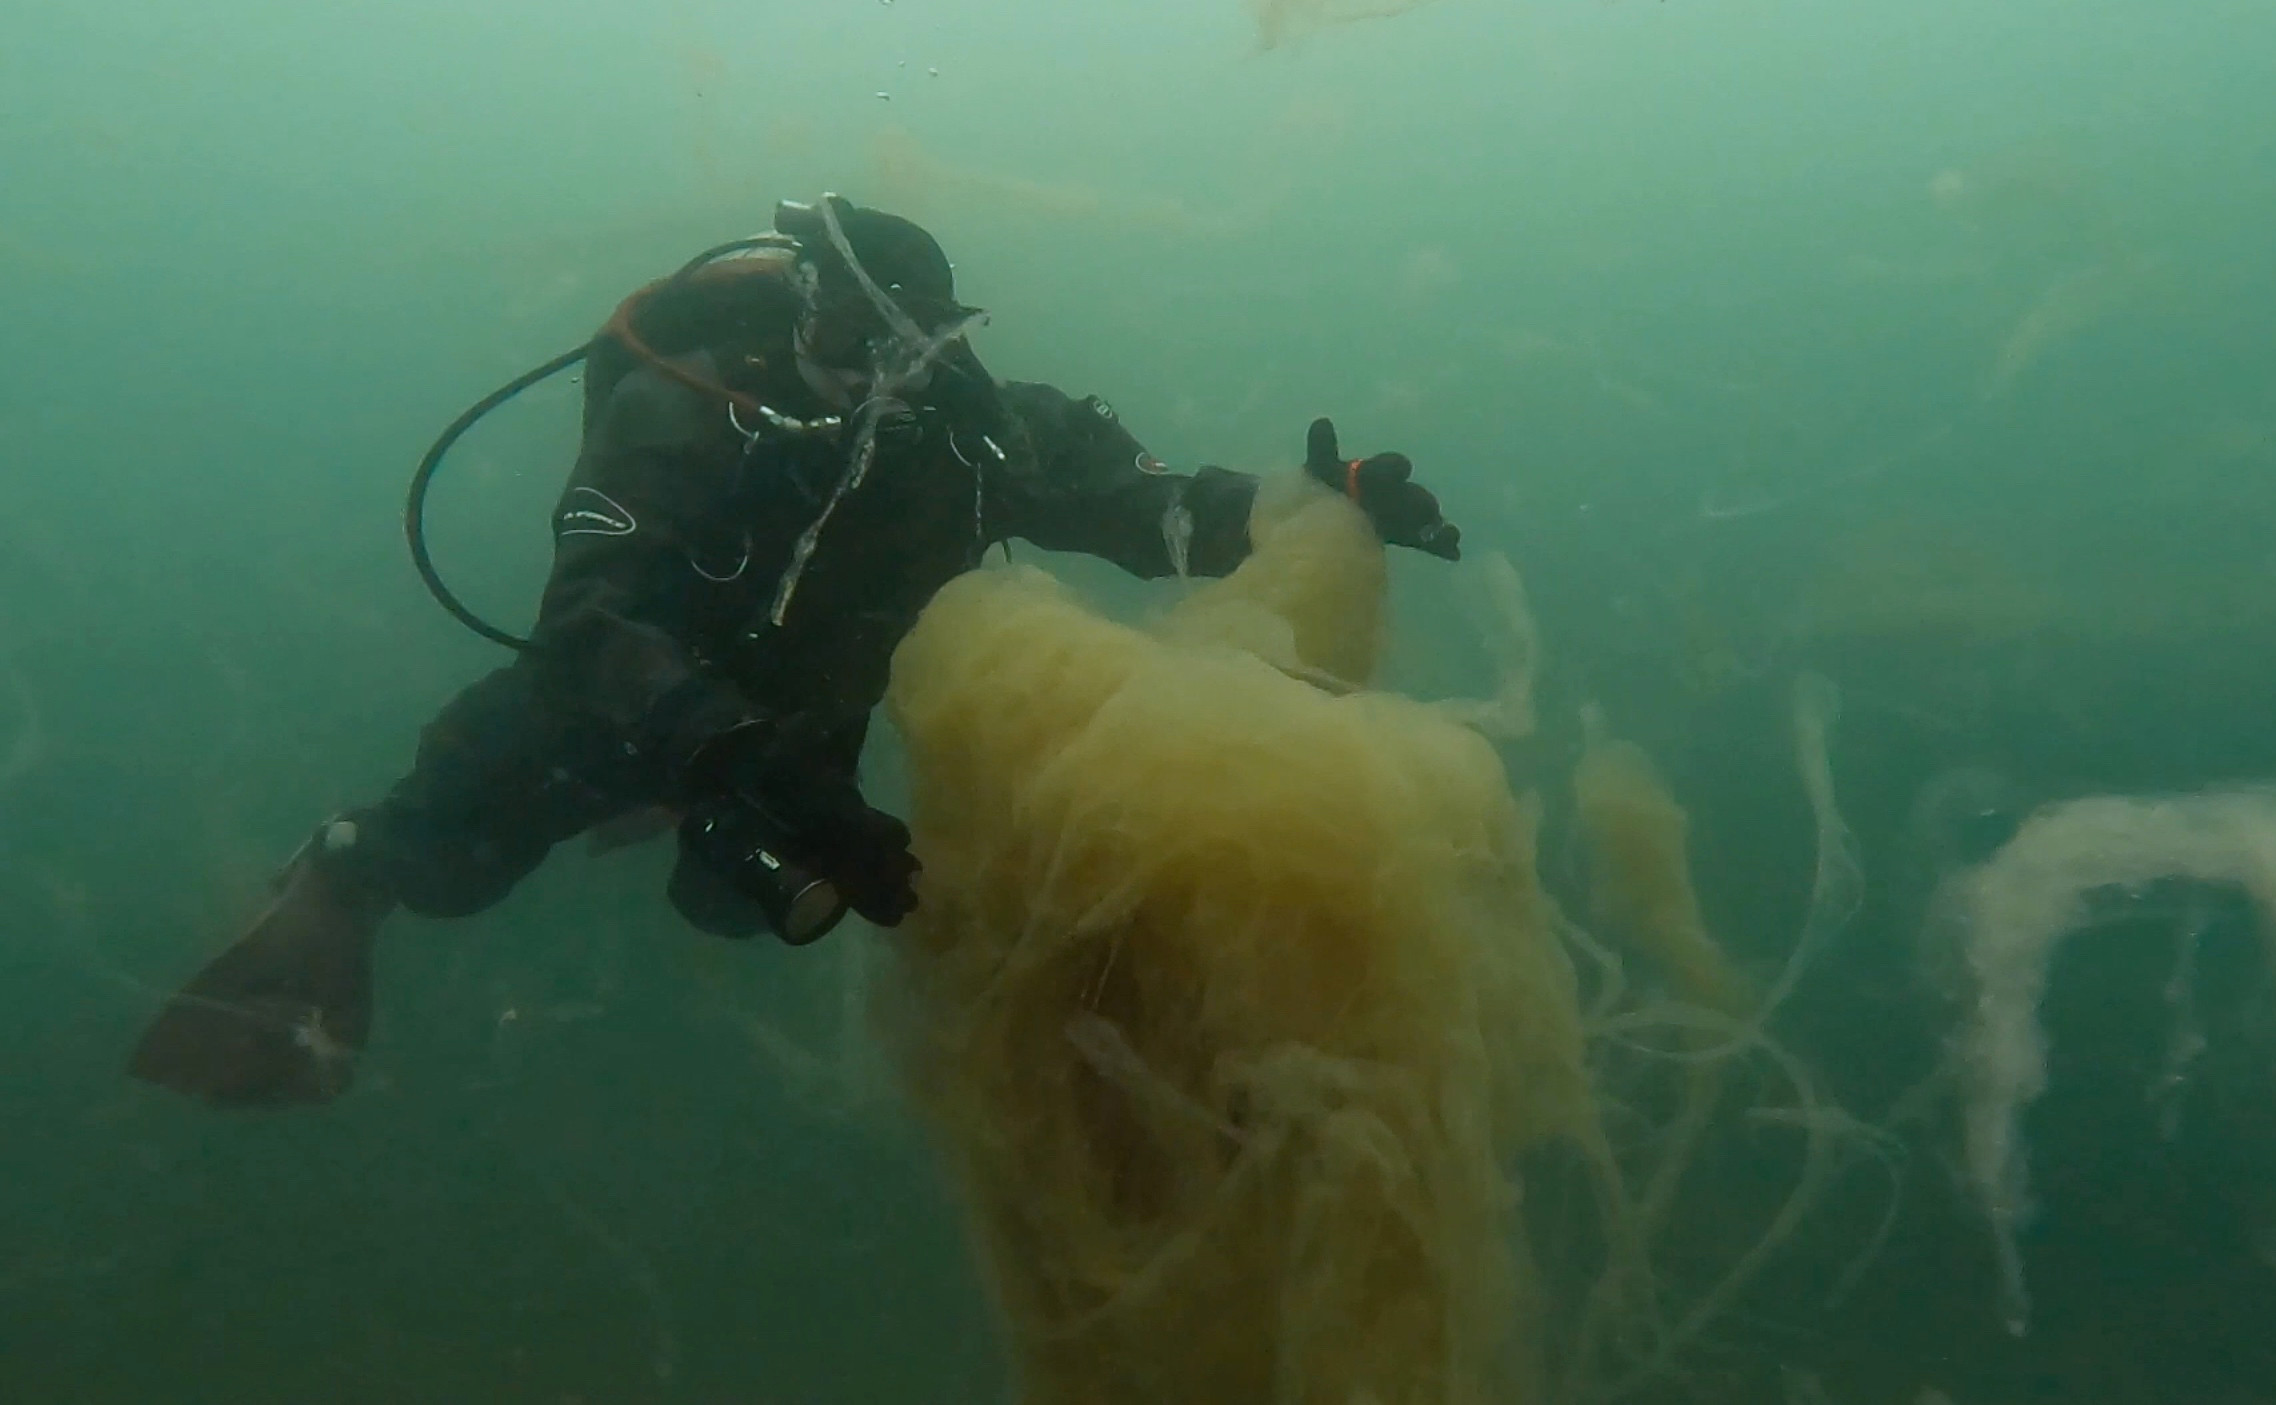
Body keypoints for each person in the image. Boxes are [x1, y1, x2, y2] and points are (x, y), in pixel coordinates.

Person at [129, 195, 1462, 1108]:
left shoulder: (973, 436)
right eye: (845, 343)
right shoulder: (678, 415)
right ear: (800, 315)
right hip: (619, 702)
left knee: (742, 908)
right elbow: (588, 624)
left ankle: (678, 818)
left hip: (792, 735)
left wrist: (1313, 507)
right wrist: (722, 749)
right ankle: (337, 875)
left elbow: (1139, 508)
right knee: (463, 845)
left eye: (911, 349)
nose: (875, 378)